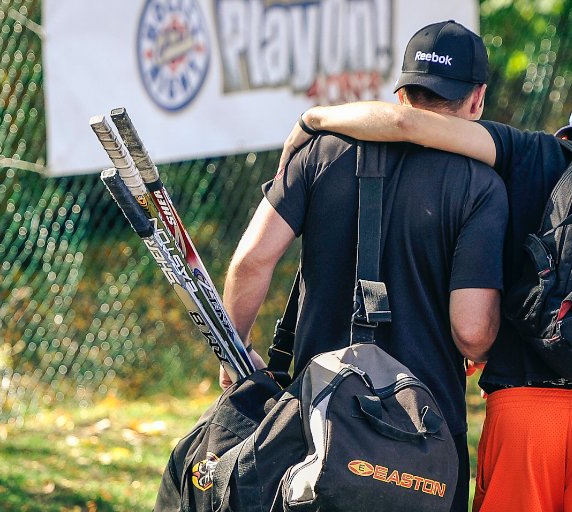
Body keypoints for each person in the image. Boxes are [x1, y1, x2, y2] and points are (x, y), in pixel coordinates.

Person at [280, 86, 572, 510]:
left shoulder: (531, 155)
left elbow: (405, 123)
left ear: (569, 134)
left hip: (523, 413)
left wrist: (313, 119)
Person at [220, 20, 508, 512]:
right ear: (477, 100)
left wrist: (235, 354)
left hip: (315, 422)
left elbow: (251, 260)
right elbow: (473, 332)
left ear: (400, 93)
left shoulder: (318, 152)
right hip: (424, 435)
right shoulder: (481, 186)